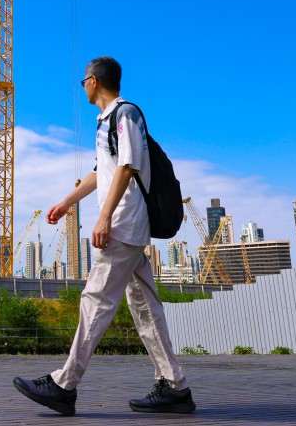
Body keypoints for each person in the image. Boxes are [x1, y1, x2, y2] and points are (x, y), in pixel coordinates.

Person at [13, 56, 195, 416]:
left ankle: (64, 384)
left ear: (94, 81)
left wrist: (104, 217)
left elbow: (128, 166)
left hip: (124, 224)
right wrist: (67, 201)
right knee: (145, 309)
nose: (82, 86)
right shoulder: (106, 121)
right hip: (125, 225)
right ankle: (175, 386)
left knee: (96, 299)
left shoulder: (126, 113)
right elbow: (103, 171)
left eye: (83, 81)